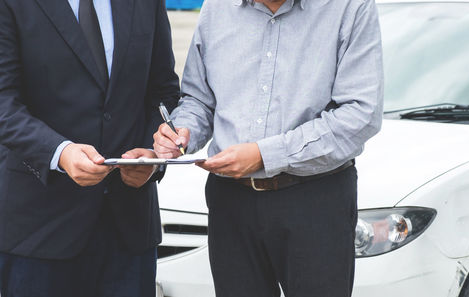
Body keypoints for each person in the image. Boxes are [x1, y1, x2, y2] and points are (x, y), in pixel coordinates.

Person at [154, 0, 383, 296]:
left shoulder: (350, 7)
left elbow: (360, 113)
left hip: (315, 199)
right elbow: (199, 99)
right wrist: (183, 131)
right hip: (230, 201)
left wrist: (265, 155)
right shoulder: (217, 8)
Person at [0, 0, 179, 296]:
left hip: (129, 231)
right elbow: (4, 102)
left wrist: (153, 156)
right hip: (38, 229)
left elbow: (164, 92)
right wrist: (59, 152)